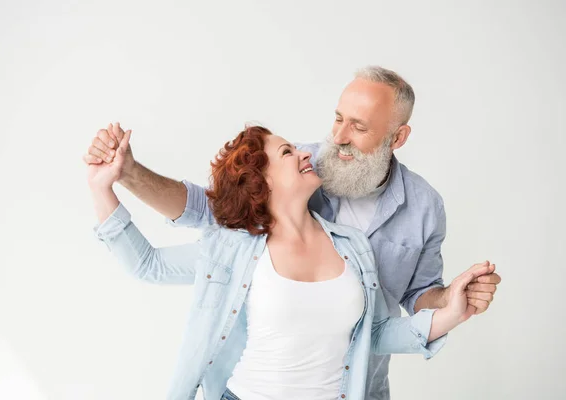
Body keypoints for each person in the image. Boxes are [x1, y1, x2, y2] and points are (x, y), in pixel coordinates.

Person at [83, 66, 501, 400]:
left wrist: (450, 306)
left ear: (398, 137)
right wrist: (117, 179)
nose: (328, 142)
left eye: (358, 126)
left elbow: (376, 327)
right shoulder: (240, 244)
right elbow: (163, 250)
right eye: (337, 118)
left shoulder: (360, 243)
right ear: (264, 182)